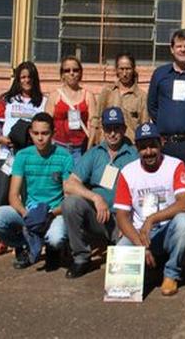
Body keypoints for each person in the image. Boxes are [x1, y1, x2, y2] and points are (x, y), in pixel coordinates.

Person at [113, 122, 185, 296]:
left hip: (167, 230)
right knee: (120, 266)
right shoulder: (127, 172)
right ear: (137, 148)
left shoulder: (176, 165)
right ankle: (148, 267)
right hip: (140, 234)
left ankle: (171, 274)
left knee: (184, 221)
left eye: (152, 146)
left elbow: (184, 203)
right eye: (143, 147)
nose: (148, 152)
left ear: (161, 143)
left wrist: (152, 219)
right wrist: (138, 243)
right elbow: (121, 216)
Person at [0, 112, 73, 270]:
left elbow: (68, 196)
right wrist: (28, 216)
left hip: (54, 213)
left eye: (45, 133)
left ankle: (52, 250)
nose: (40, 138)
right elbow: (13, 195)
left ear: (53, 133)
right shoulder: (22, 156)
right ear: (31, 133)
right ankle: (27, 243)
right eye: (36, 133)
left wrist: (49, 215)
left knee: (56, 238)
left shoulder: (64, 156)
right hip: (28, 212)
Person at [61, 107, 139, 278]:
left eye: (117, 128)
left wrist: (128, 219)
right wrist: (95, 197)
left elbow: (142, 191)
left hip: (124, 220)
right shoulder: (95, 153)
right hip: (98, 217)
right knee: (70, 203)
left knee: (125, 273)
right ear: (103, 130)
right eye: (108, 129)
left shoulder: (134, 155)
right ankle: (81, 258)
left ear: (124, 129)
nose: (112, 134)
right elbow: (69, 184)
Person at [0, 61, 47, 257]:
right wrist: (1, 138)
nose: (26, 80)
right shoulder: (6, 99)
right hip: (7, 155)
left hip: (29, 157)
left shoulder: (42, 101)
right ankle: (3, 240)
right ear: (17, 78)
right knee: (3, 196)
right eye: (23, 77)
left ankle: (26, 238)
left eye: (30, 77)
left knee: (26, 197)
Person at [147, 29, 185, 169]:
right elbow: (152, 105)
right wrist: (164, 124)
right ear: (172, 49)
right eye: (179, 46)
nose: (182, 50)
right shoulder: (160, 74)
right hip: (165, 145)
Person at [46, 56, 98, 163]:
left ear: (80, 73)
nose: (71, 73)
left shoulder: (88, 96)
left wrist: (88, 150)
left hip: (80, 150)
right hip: (58, 147)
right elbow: (47, 123)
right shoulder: (54, 96)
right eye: (67, 70)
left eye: (75, 70)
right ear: (62, 74)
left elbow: (93, 124)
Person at [96, 52, 149, 142]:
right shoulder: (107, 92)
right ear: (116, 70)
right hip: (108, 145)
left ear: (133, 69)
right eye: (121, 69)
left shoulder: (141, 96)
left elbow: (144, 125)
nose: (124, 73)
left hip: (130, 146)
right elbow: (97, 119)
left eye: (128, 69)